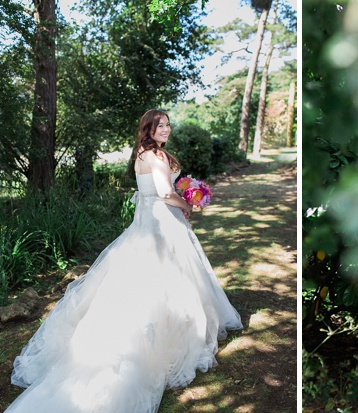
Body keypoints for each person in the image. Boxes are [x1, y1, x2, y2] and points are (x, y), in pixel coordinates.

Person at [6, 109, 243, 413]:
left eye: (168, 125)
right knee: (166, 276)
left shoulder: (143, 154)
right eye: (161, 126)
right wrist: (189, 204)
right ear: (148, 128)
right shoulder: (155, 157)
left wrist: (186, 195)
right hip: (160, 221)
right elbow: (167, 193)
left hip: (147, 221)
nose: (167, 129)